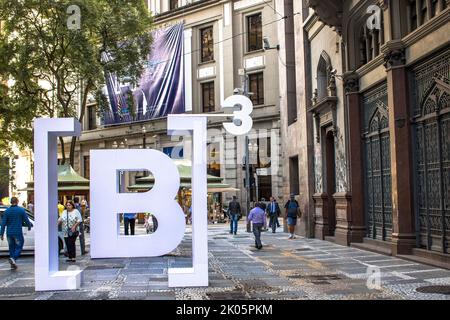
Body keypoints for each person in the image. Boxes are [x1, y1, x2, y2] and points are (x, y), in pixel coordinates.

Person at [0, 197, 32, 269]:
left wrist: (1, 234)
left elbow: (3, 223)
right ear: (17, 201)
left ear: (11, 202)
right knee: (19, 246)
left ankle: (12, 264)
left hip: (9, 233)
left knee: (11, 248)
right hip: (17, 232)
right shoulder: (21, 210)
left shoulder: (7, 211)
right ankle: (13, 259)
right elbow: (26, 220)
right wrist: (29, 226)